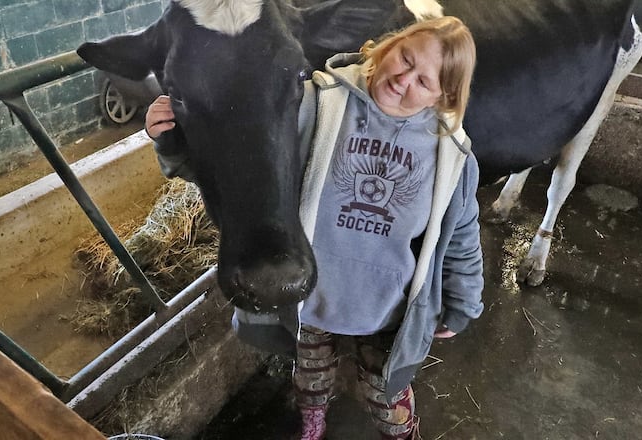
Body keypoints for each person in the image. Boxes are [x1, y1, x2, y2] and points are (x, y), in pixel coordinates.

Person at [145, 16, 483, 440]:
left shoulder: (451, 155)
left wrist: (463, 301)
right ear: (389, 45)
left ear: (444, 96)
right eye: (405, 58)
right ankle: (313, 422)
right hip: (309, 295)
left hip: (385, 308)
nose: (402, 79)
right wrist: (174, 140)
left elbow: (462, 235)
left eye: (424, 80)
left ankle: (402, 434)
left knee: (387, 395)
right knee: (310, 376)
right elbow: (242, 168)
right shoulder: (314, 104)